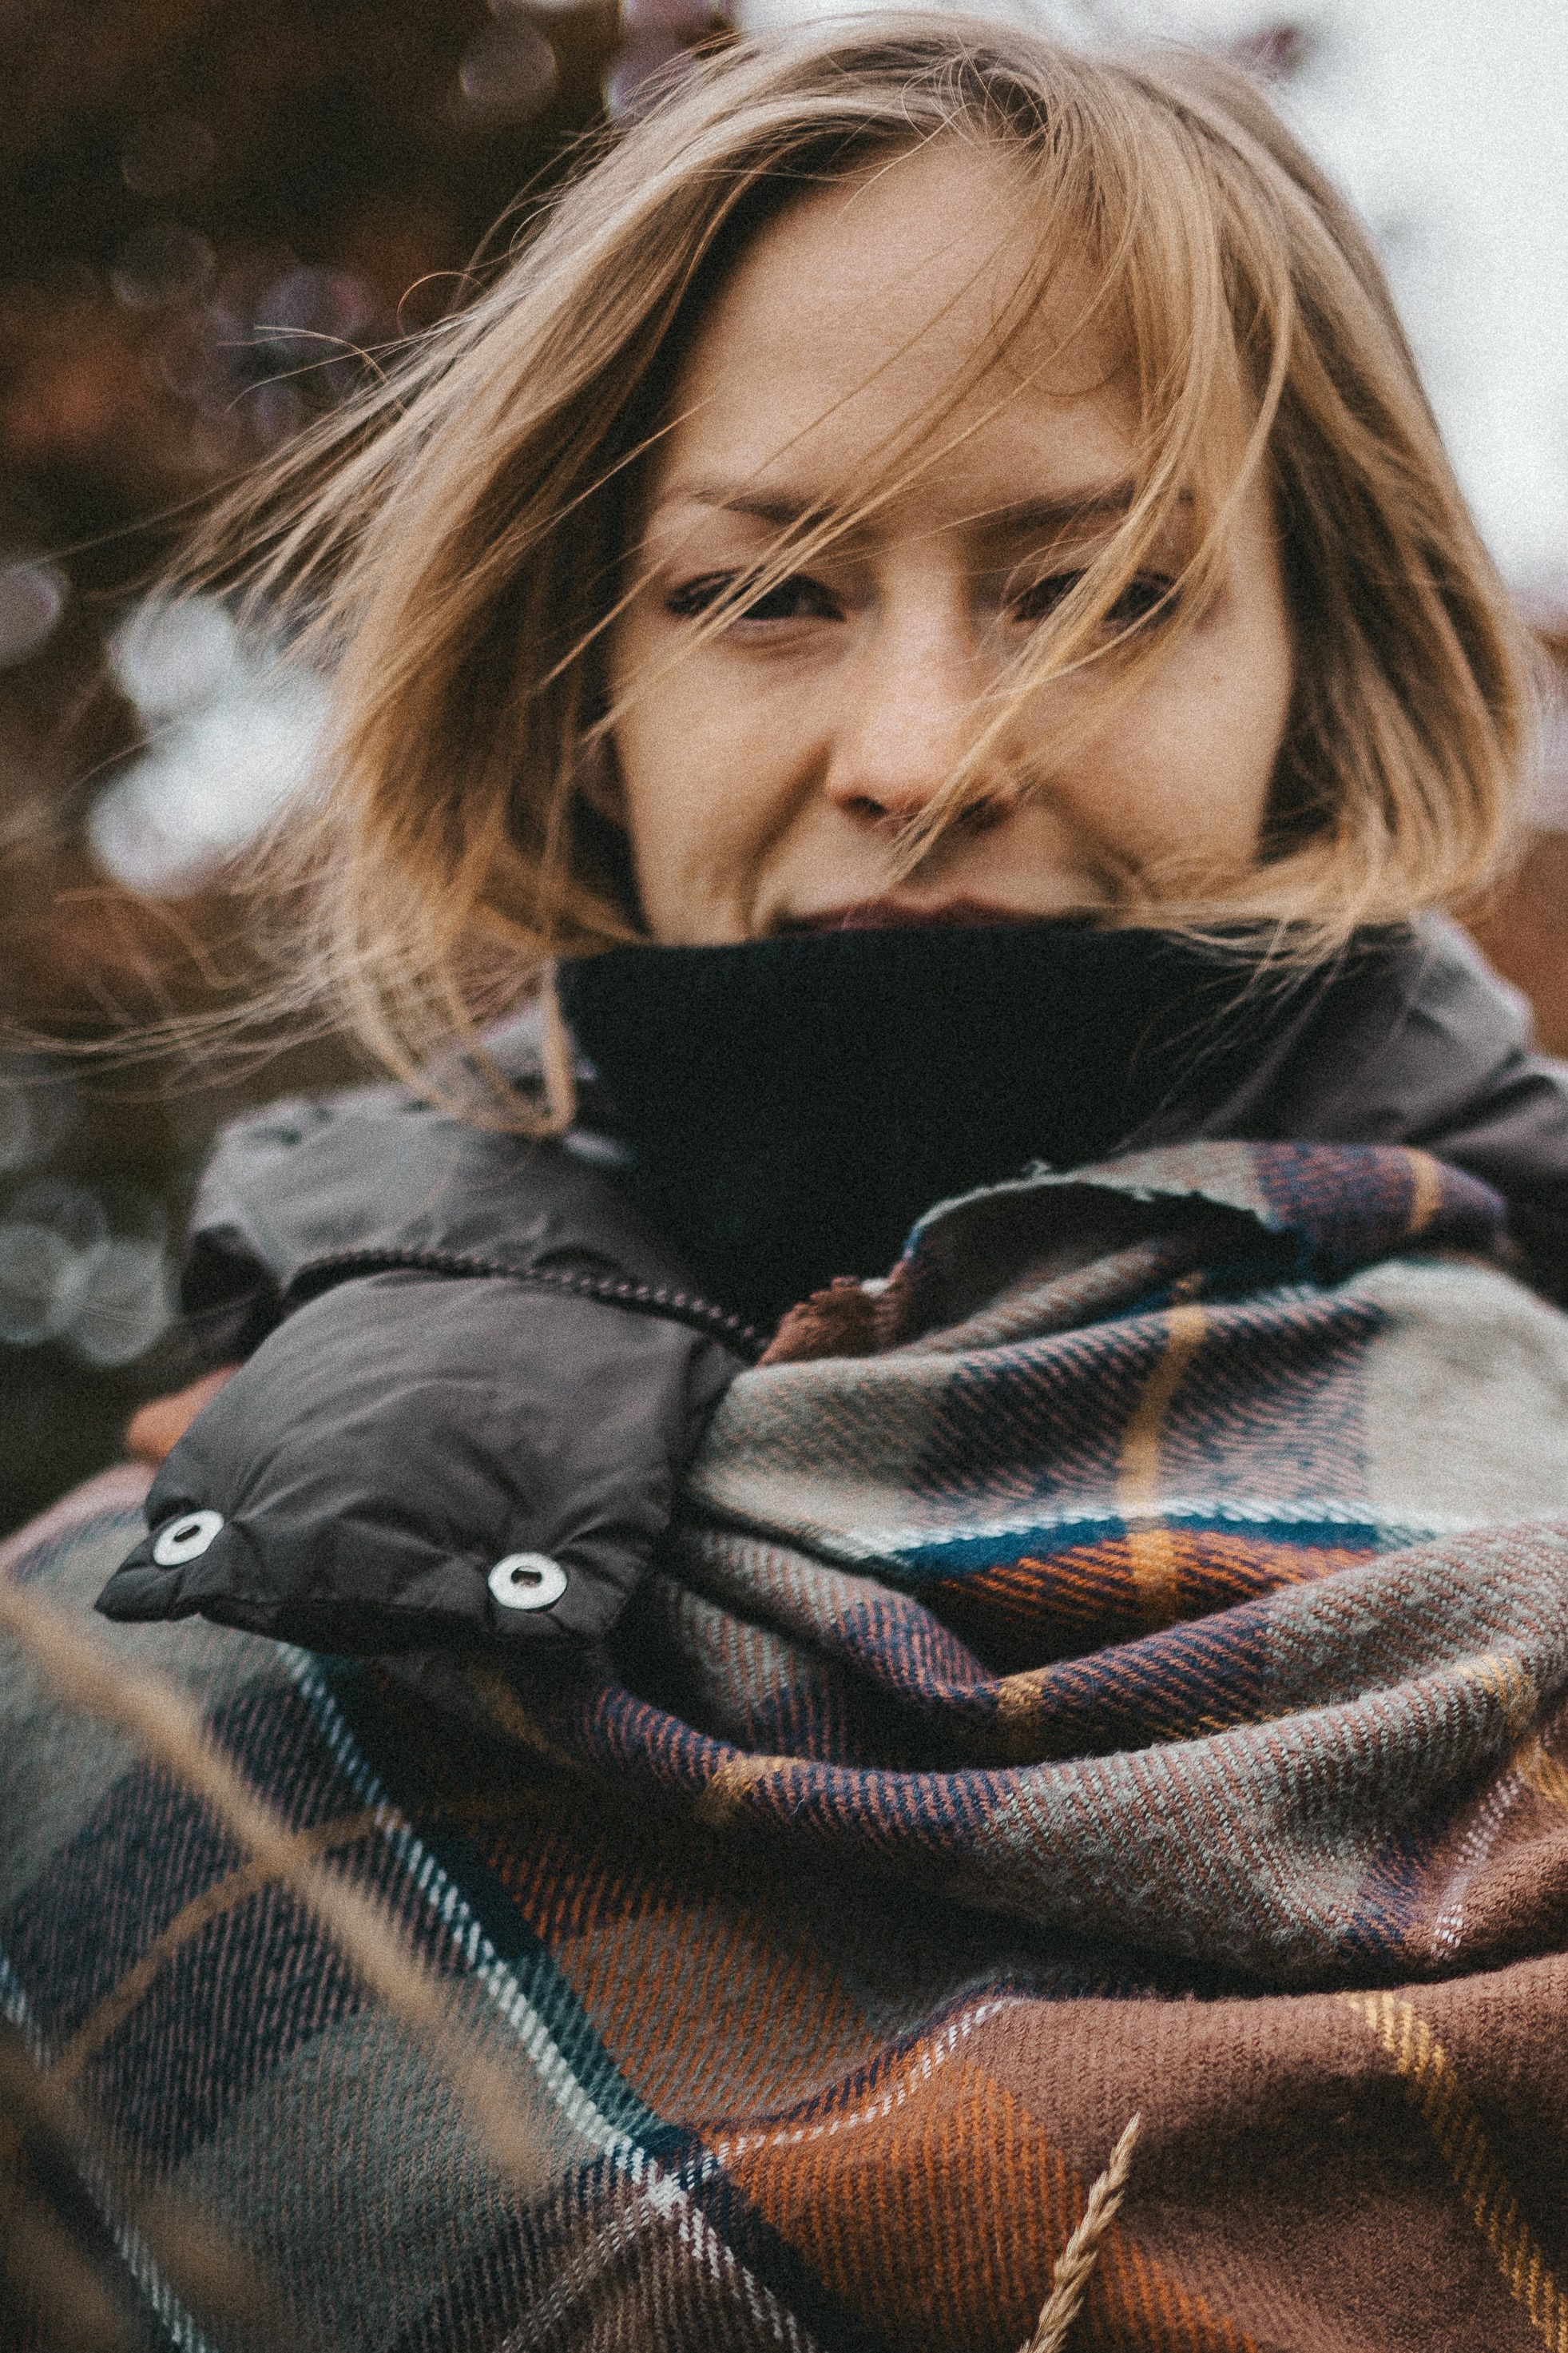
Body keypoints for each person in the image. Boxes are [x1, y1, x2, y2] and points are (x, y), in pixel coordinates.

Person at [14, 20, 1568, 2348]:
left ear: (1321, 666)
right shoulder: (122, 1685)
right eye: (768, 594)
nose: (921, 751)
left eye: (1098, 586)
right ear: (579, 682)